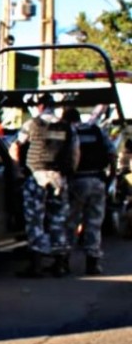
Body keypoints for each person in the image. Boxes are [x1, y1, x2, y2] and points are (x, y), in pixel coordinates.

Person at [8, 93, 79, 278]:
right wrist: (68, 173)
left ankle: (36, 265)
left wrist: (18, 171)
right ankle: (60, 264)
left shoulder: (31, 124)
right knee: (58, 220)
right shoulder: (67, 127)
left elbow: (15, 146)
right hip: (58, 178)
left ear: (39, 106)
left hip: (37, 176)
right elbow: (74, 154)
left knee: (35, 220)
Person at [64, 106, 114, 275]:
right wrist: (110, 177)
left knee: (71, 221)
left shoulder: (70, 132)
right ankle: (92, 263)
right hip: (97, 180)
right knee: (94, 223)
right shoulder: (96, 131)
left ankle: (64, 261)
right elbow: (111, 153)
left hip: (77, 181)